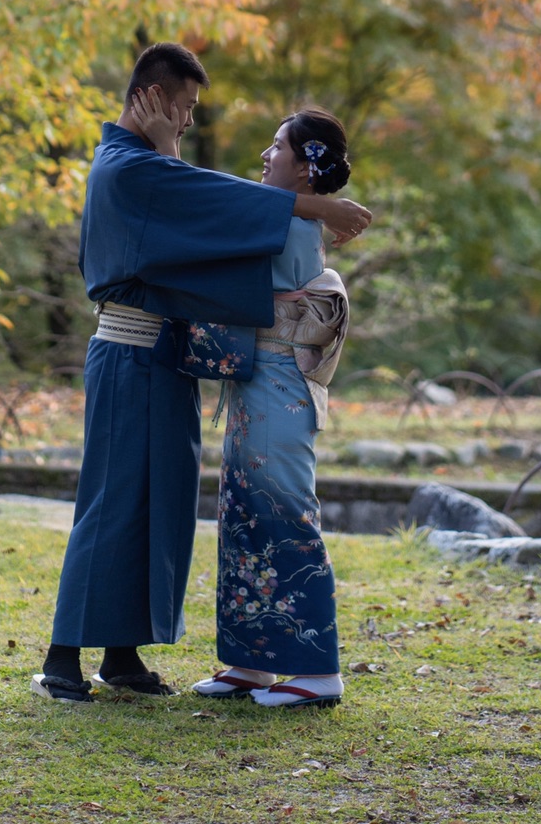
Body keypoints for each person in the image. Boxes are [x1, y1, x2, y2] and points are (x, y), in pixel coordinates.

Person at [33, 46, 372, 704]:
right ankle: (61, 657)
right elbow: (199, 200)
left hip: (164, 359)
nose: (186, 121)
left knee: (155, 505)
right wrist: (316, 208)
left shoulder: (150, 169)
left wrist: (175, 157)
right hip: (132, 353)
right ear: (152, 97)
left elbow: (197, 214)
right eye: (183, 107)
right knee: (112, 503)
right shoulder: (131, 168)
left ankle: (122, 653)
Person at [189, 110, 354, 711]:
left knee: (285, 512)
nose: (265, 153)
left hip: (282, 380)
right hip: (261, 379)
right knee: (243, 514)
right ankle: (251, 661)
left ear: (306, 163)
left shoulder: (287, 222)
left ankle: (316, 669)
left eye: (277, 146)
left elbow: (218, 220)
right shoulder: (287, 215)